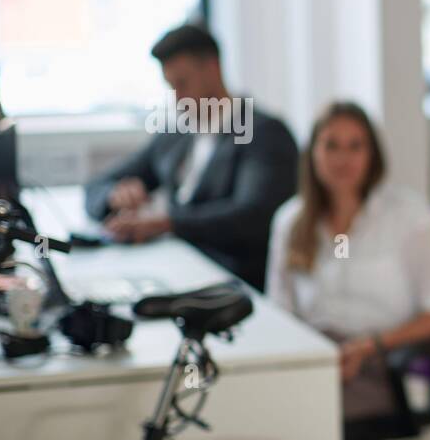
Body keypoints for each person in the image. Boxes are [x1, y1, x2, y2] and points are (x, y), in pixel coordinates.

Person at [266, 102, 430, 436]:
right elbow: (280, 311)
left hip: (382, 364)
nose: (342, 159)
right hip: (315, 359)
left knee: (292, 420)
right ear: (312, 154)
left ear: (372, 155)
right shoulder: (290, 220)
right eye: (331, 145)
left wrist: (368, 347)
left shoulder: (408, 215)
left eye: (355, 146)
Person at [83, 24, 298, 290]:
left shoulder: (262, 133)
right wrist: (114, 194)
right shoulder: (176, 136)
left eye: (182, 84)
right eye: (171, 87)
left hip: (233, 287)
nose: (178, 99)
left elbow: (252, 217)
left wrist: (166, 223)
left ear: (212, 68)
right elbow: (95, 185)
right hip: (172, 272)